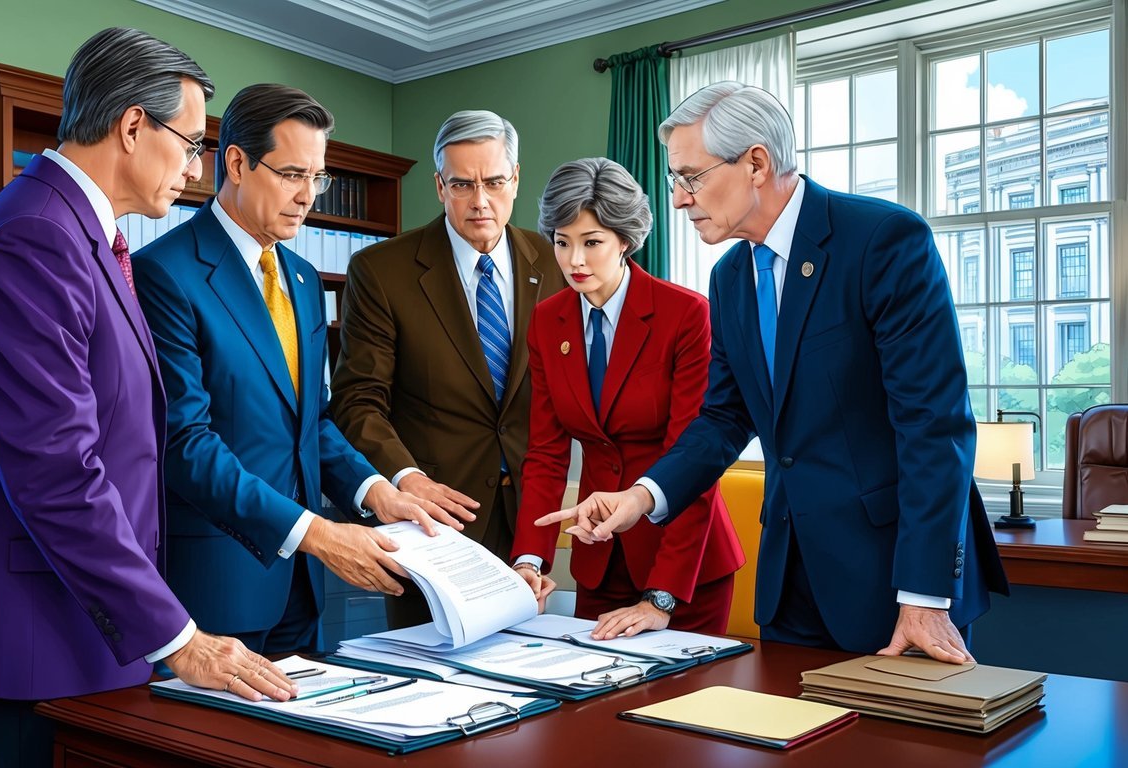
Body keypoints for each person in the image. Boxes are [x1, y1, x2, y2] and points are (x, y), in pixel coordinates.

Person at [0, 29, 296, 768]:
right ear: (130, 126)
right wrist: (178, 638)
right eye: (189, 144)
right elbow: (55, 472)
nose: (194, 168)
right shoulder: (34, 238)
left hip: (82, 623)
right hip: (27, 636)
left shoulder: (81, 233)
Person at [537, 82, 1008, 661]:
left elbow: (934, 426)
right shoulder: (730, 277)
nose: (680, 200)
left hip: (896, 581)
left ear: (755, 163)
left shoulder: (883, 241)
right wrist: (641, 496)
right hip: (790, 581)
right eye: (675, 181)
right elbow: (723, 418)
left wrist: (924, 595)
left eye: (691, 177)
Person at [133, 84, 451, 655]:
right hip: (216, 583)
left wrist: (376, 490)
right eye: (291, 174)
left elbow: (312, 421)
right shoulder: (163, 273)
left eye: (317, 177)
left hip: (304, 589)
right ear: (236, 162)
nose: (308, 196)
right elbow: (186, 444)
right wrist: (318, 534)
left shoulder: (304, 279)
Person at [331, 110, 563, 628]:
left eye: (495, 182)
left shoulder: (554, 263)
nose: (480, 201)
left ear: (516, 179)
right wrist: (405, 478)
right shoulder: (382, 270)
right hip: (434, 528)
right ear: (440, 186)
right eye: (462, 184)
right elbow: (356, 400)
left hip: (531, 526)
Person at [511, 158, 744, 639]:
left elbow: (696, 459)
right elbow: (546, 454)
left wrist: (662, 596)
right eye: (562, 241)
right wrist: (529, 559)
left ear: (625, 240)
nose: (574, 260)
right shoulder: (546, 321)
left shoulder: (685, 315)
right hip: (598, 561)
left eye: (591, 242)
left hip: (683, 568)